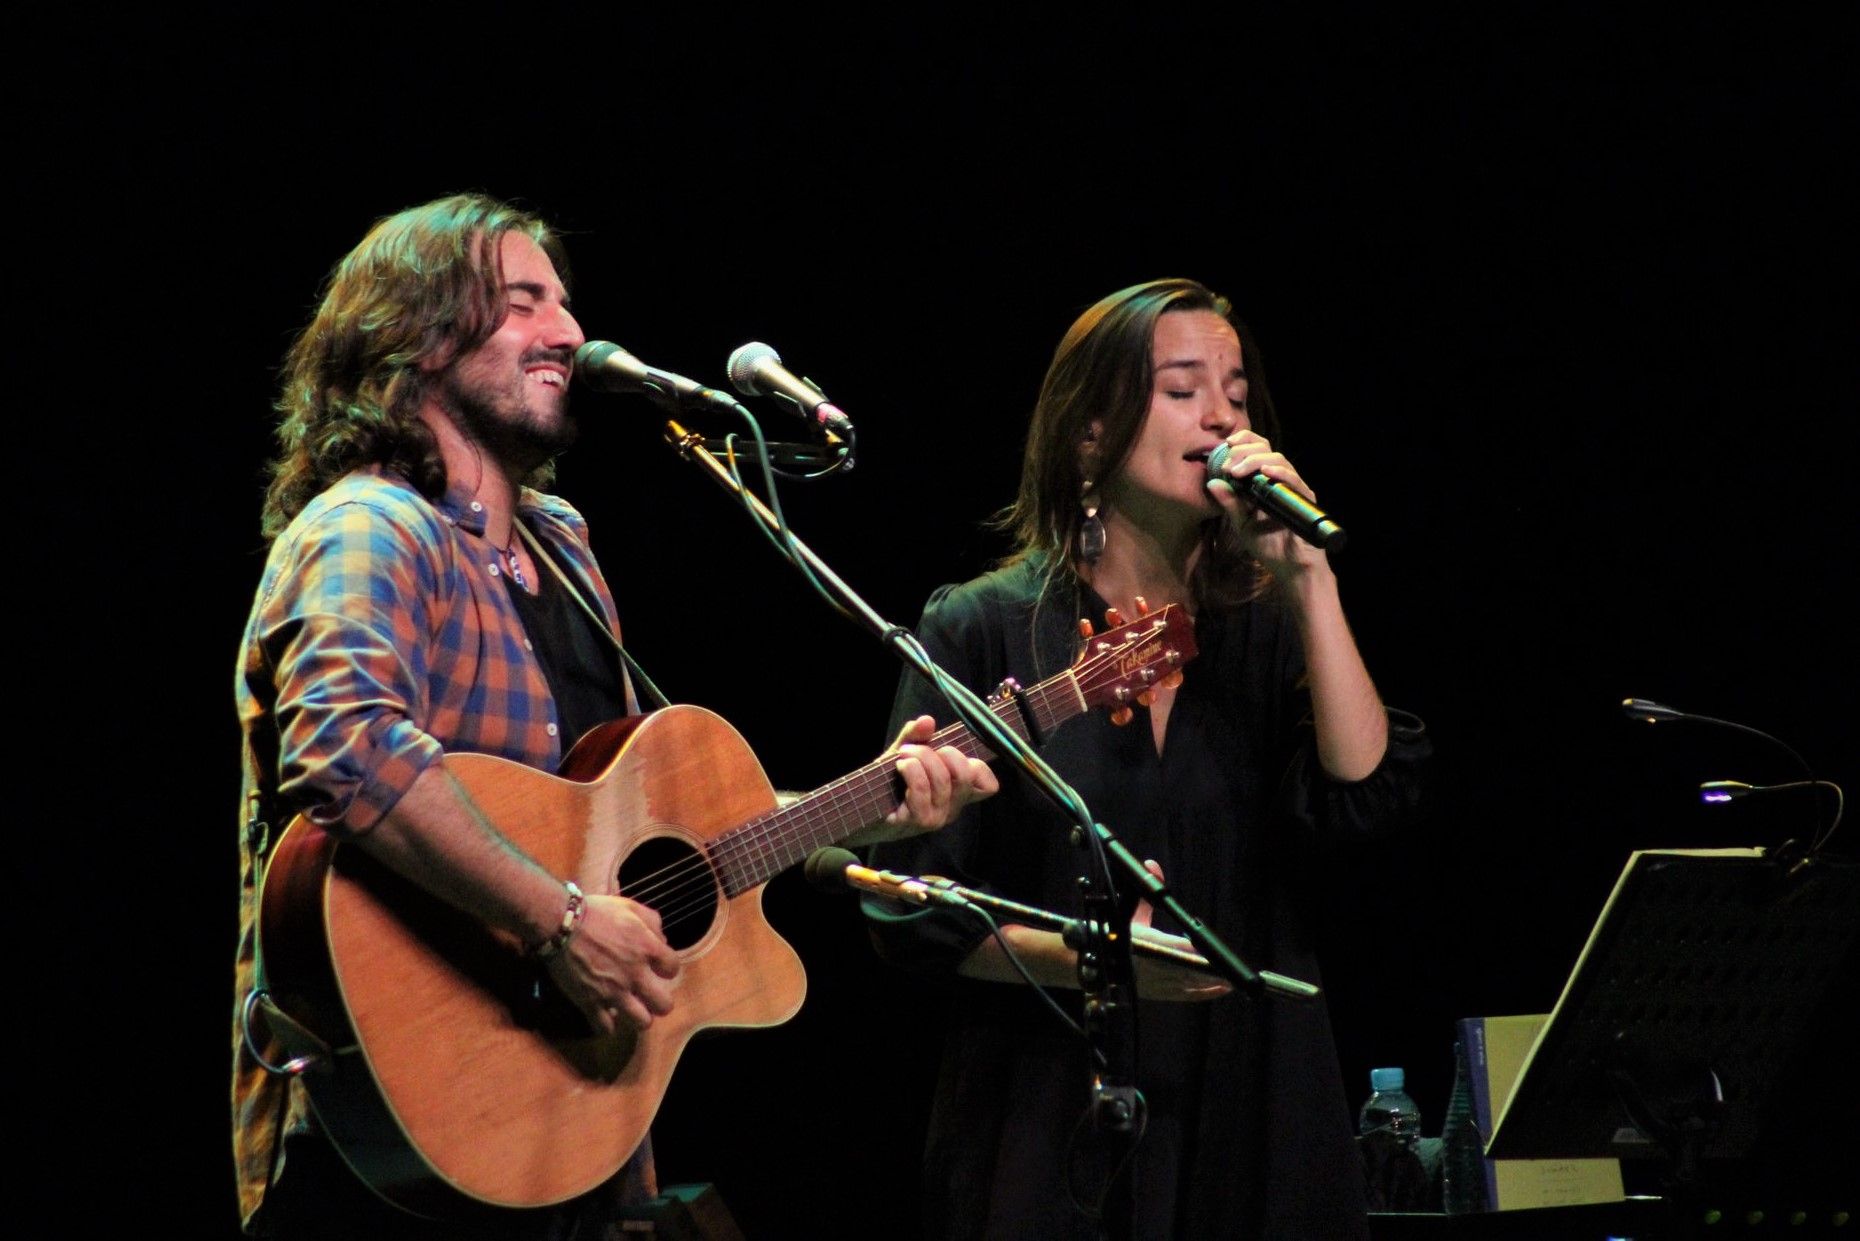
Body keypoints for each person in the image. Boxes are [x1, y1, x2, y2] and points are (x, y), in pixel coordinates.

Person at [231, 193, 996, 1238]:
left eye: (565, 303)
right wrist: (562, 921)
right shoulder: (374, 524)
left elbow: (646, 830)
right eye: (520, 303)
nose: (569, 333)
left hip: (568, 1128)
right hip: (387, 1141)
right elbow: (350, 751)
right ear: (409, 340)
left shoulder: (562, 543)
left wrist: (868, 804)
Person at [863, 278, 1431, 1239]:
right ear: (1091, 434)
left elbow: (1367, 794)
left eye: (1238, 392)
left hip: (1257, 1095)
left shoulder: (1265, 629)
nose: (1221, 415)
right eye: (1183, 389)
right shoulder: (986, 628)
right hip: (1049, 1106)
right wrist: (1107, 966)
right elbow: (916, 907)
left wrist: (1310, 577)